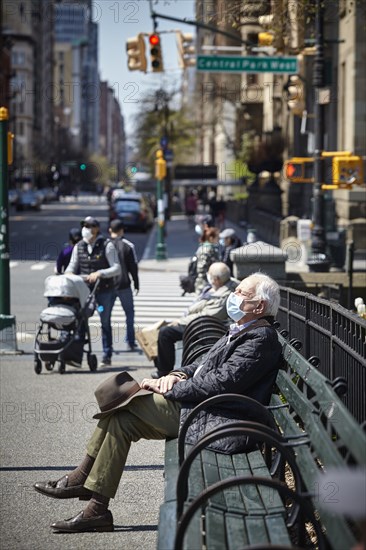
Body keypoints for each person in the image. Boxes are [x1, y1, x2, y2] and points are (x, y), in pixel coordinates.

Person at [33, 272, 282, 533]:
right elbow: (202, 365)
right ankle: (97, 509)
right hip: (201, 407)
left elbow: (222, 382)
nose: (234, 295)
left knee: (127, 401)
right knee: (121, 421)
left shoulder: (260, 338)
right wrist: (174, 375)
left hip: (214, 416)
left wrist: (170, 389)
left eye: (241, 293)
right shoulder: (244, 328)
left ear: (260, 306)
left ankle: (81, 478)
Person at [154, 262, 238, 378]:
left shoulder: (224, 295)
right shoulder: (216, 287)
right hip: (199, 323)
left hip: (205, 327)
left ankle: (163, 371)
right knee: (165, 331)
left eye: (210, 273)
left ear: (217, 279)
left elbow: (207, 315)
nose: (207, 275)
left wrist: (180, 321)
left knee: (165, 333)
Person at [66, 216, 121, 366]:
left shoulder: (107, 245)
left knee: (104, 321)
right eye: (84, 226)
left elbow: (116, 268)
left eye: (90, 226)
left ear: (96, 229)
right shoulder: (79, 246)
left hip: (104, 291)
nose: (86, 229)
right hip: (84, 291)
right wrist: (69, 275)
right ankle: (77, 355)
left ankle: (106, 354)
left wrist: (100, 273)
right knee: (81, 320)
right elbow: (71, 267)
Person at [108, 219, 139, 351]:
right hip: (124, 284)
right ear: (122, 230)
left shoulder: (105, 244)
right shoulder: (128, 245)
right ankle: (130, 341)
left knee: (106, 316)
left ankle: (108, 345)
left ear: (110, 230)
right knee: (129, 313)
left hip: (108, 285)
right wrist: (136, 283)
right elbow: (133, 267)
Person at [194, 226, 220, 294]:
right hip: (205, 282)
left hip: (205, 281)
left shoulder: (205, 247)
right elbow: (202, 268)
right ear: (211, 238)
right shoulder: (208, 249)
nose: (218, 239)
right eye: (217, 237)